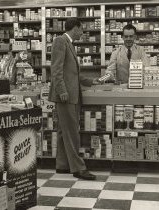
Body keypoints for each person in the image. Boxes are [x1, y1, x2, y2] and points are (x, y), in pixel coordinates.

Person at [48, 17, 101, 180]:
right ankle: (78, 169)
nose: (83, 32)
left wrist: (93, 81)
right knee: (72, 132)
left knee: (64, 132)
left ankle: (62, 165)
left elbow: (73, 75)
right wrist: (62, 90)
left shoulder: (69, 44)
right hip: (66, 96)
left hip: (70, 95)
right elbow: (55, 70)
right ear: (76, 28)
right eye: (81, 29)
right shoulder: (60, 41)